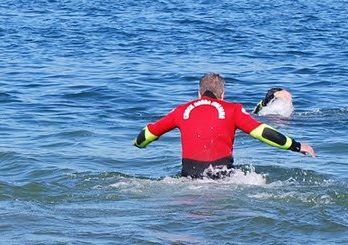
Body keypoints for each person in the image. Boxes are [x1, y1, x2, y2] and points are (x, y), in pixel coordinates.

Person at [134, 73, 315, 178]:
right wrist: (296, 146)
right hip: (223, 178)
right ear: (223, 94)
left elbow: (148, 133)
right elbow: (262, 132)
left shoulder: (181, 110)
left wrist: (136, 143)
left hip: (188, 178)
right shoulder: (233, 109)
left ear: (199, 93)